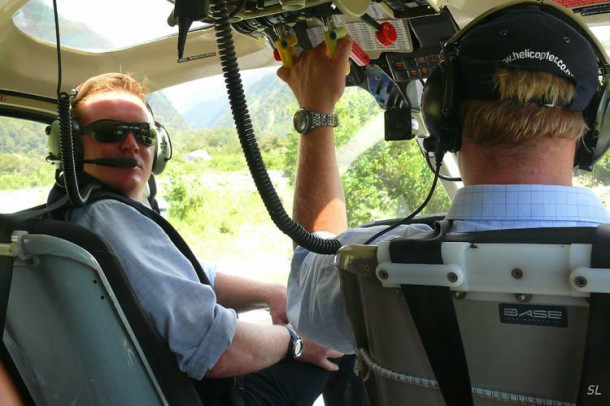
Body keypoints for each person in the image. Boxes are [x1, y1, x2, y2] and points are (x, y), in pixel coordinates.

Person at [278, 2, 610, 359]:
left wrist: (316, 110)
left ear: (442, 119)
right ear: (599, 127)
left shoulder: (366, 267)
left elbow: (310, 258)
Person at [45, 72, 365, 405]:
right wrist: (295, 340)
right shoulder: (108, 218)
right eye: (110, 132)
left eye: (143, 133)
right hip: (212, 397)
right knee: (342, 322)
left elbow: (192, 275)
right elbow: (216, 351)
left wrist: (268, 293)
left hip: (172, 387)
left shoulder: (82, 211)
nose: (131, 144)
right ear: (71, 146)